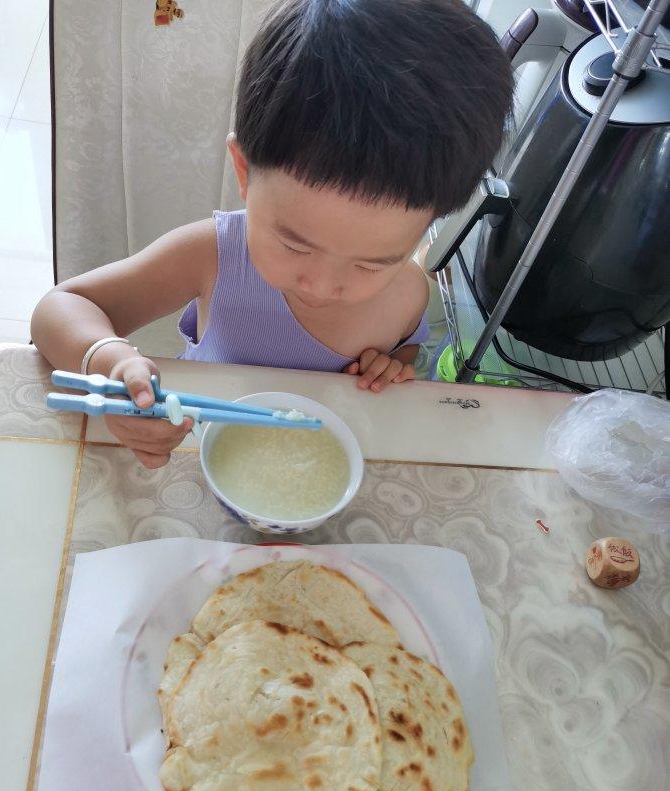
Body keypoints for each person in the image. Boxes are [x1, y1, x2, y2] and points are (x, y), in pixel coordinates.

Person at [31, 0, 512, 468]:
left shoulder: (406, 292)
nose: (322, 286)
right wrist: (109, 361)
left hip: (309, 470)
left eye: (371, 263)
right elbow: (60, 308)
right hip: (198, 456)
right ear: (244, 171)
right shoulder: (212, 254)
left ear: (429, 226)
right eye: (295, 244)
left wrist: (393, 365)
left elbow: (404, 350)